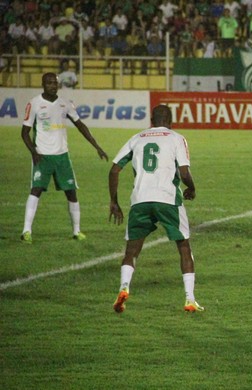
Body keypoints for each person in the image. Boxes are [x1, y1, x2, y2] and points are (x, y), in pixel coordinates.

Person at [109, 105, 204, 313]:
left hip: (140, 200)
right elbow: (184, 171)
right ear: (171, 120)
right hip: (167, 199)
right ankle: (190, 298)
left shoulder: (137, 138)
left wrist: (114, 202)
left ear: (151, 120)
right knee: (184, 246)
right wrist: (192, 188)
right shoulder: (177, 138)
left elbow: (114, 169)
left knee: (132, 250)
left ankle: (124, 287)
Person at [20, 72, 108, 244]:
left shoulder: (65, 104)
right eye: (50, 82)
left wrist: (96, 146)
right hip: (42, 156)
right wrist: (34, 152)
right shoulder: (34, 103)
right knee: (36, 190)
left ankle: (76, 231)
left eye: (55, 83)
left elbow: (80, 125)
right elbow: (24, 133)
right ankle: (26, 231)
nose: (53, 85)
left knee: (71, 193)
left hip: (62, 156)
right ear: (43, 84)